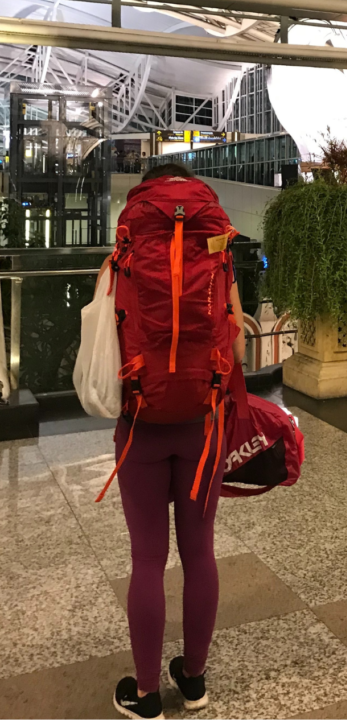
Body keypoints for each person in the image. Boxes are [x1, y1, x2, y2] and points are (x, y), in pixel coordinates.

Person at [100, 163, 245, 720]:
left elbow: (102, 335)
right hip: (201, 424)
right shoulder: (217, 251)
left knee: (147, 559)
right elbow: (231, 338)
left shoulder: (124, 250)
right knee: (200, 552)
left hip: (140, 423)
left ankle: (143, 693)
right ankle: (193, 678)